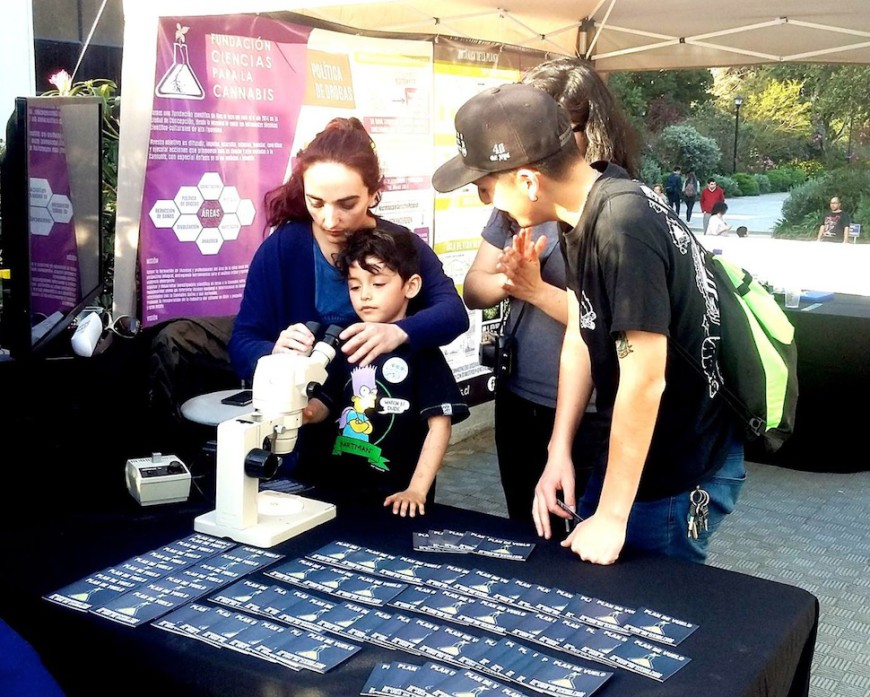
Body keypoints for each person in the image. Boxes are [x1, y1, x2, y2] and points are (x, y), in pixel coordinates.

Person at [432, 83, 744, 566]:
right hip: (638, 458)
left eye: (487, 189)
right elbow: (583, 327)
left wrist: (613, 517)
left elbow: (644, 379)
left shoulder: (622, 223)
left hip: (678, 468)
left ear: (529, 182)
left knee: (641, 616)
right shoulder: (585, 207)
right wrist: (558, 449)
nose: (488, 203)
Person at [462, 56, 635, 524]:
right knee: (527, 524)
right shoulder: (515, 206)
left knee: (580, 535)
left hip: (596, 411)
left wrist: (536, 290)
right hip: (522, 393)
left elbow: (616, 335)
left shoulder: (617, 214)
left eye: (562, 127)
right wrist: (509, 280)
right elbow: (473, 288)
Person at [228, 116, 469, 385]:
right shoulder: (283, 248)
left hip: (387, 414)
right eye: (316, 202)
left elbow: (453, 313)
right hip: (307, 413)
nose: (330, 221)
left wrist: (399, 332)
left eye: (347, 204)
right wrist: (273, 352)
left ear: (373, 193)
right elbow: (242, 341)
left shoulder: (400, 243)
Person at [301, 227, 469, 515]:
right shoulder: (345, 342)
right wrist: (300, 411)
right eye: (355, 286)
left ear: (411, 286)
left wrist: (417, 489)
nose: (364, 295)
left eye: (378, 284)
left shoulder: (422, 351)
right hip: (337, 493)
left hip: (398, 498)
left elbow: (439, 426)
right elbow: (324, 404)